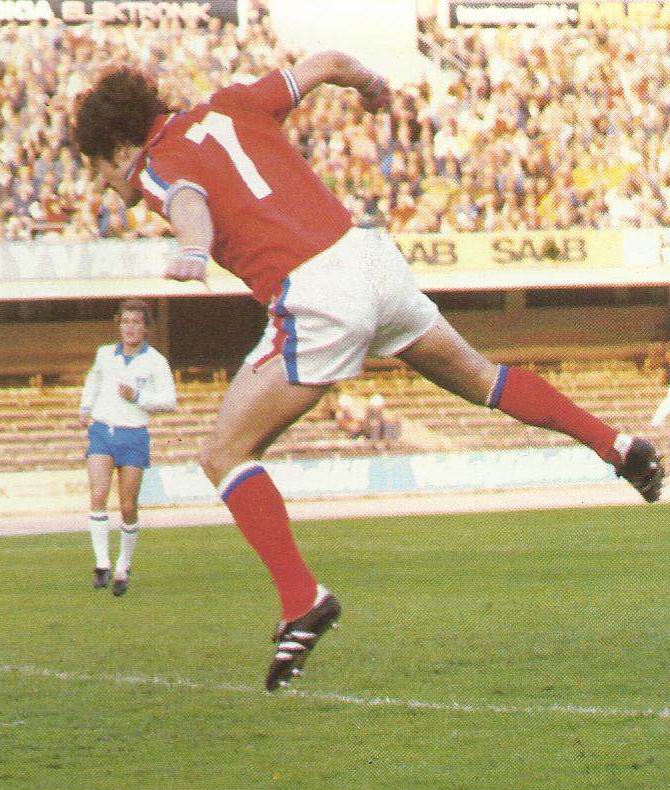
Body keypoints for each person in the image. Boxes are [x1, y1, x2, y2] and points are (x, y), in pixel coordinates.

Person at [71, 54, 664, 693]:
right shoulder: (232, 102)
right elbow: (323, 63)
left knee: (223, 452)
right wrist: (373, 85)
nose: (107, 186)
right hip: (370, 258)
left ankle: (302, 599)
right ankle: (617, 445)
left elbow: (187, 200)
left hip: (318, 293)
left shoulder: (159, 163)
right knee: (483, 379)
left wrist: (192, 247)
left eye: (100, 170)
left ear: (118, 148)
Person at [77, 298, 177, 596]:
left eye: (136, 323)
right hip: (102, 430)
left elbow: (169, 401)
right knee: (97, 494)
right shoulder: (105, 354)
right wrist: (85, 407)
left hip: (134, 435)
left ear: (146, 328)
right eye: (125, 322)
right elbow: (92, 381)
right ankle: (102, 564)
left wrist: (137, 396)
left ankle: (123, 565)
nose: (130, 328)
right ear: (118, 325)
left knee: (127, 505)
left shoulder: (155, 361)